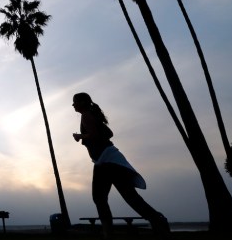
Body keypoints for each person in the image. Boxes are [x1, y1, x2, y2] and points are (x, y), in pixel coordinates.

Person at [72, 92, 169, 238]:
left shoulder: (86, 115)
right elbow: (109, 133)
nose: (73, 105)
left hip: (105, 162)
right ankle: (157, 220)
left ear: (83, 103)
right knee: (130, 197)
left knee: (99, 199)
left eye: (75, 102)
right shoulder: (93, 115)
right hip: (111, 160)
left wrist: (80, 136)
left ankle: (108, 233)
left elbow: (96, 135)